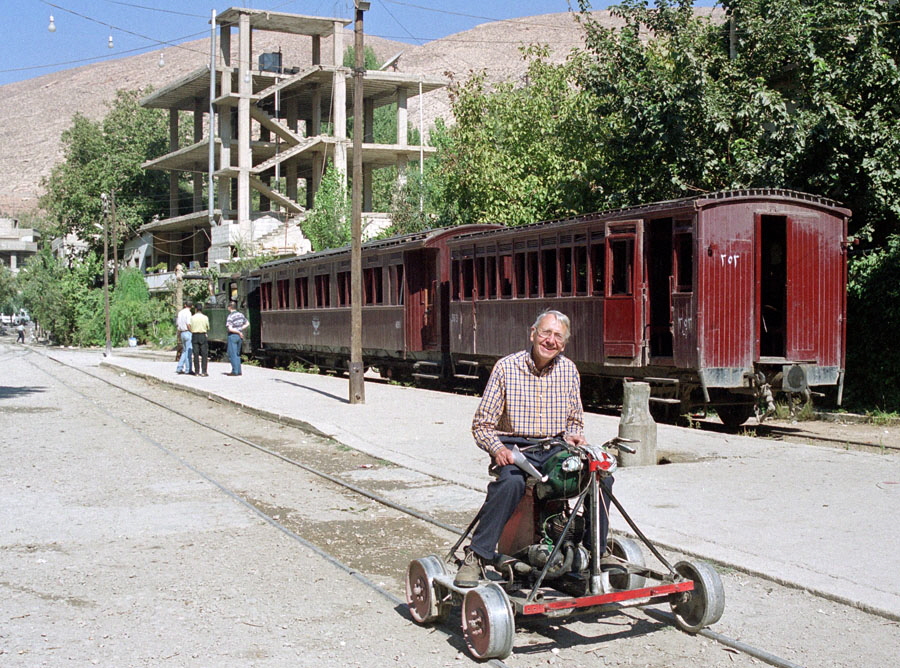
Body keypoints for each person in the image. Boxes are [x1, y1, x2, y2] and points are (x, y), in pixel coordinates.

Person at [454, 309, 613, 587]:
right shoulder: (506, 368)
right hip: (516, 448)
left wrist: (575, 436)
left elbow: (575, 420)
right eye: (546, 333)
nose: (550, 341)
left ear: (564, 343)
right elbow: (482, 425)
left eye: (558, 337)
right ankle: (476, 556)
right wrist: (497, 449)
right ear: (533, 333)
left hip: (555, 447)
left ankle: (594, 552)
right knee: (511, 484)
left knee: (599, 476)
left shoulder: (569, 370)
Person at [225, 301, 249, 376]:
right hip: (240, 336)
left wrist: (237, 332)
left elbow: (230, 328)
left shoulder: (230, 316)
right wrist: (240, 329)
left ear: (229, 307)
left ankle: (234, 371)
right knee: (238, 354)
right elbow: (247, 323)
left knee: (232, 354)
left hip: (233, 336)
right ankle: (239, 371)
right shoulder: (241, 315)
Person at [189, 302, 210, 377]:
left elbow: (189, 326)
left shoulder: (192, 317)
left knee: (196, 354)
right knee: (204, 354)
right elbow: (208, 327)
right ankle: (204, 371)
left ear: (195, 309)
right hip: (202, 335)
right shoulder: (205, 317)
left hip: (194, 335)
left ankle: (196, 372)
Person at [175, 302, 193, 375]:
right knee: (188, 351)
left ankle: (179, 367)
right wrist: (192, 331)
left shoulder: (180, 313)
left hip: (181, 332)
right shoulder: (188, 313)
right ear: (191, 306)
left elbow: (177, 323)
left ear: (185, 305)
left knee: (184, 351)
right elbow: (188, 323)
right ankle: (188, 369)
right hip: (187, 332)